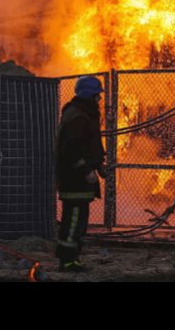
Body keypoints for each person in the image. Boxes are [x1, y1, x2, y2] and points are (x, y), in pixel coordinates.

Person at [55, 75, 107, 272]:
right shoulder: (78, 116)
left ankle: (72, 258)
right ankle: (67, 261)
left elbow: (89, 146)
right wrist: (86, 170)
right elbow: (71, 149)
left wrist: (98, 166)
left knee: (77, 221)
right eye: (97, 95)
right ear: (89, 95)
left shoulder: (83, 113)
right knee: (74, 221)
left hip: (78, 179)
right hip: (74, 180)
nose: (99, 100)